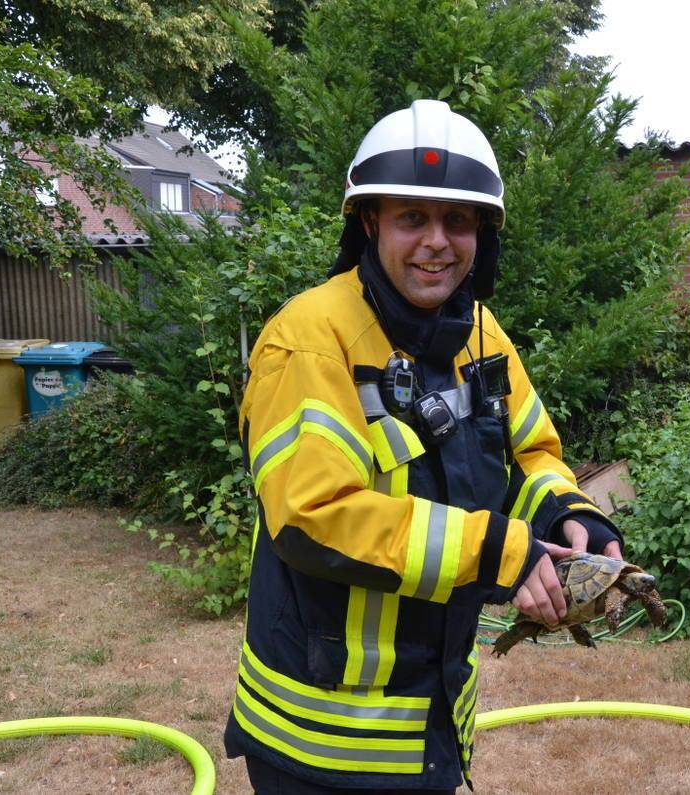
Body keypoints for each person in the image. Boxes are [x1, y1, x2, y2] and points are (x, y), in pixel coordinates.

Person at [224, 99, 623, 794]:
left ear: (481, 235)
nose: (437, 241)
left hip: (433, 726)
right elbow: (313, 516)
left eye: (458, 221)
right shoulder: (310, 338)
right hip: (320, 744)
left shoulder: (481, 334)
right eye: (413, 217)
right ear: (371, 221)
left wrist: (569, 514)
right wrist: (494, 550)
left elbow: (530, 454)